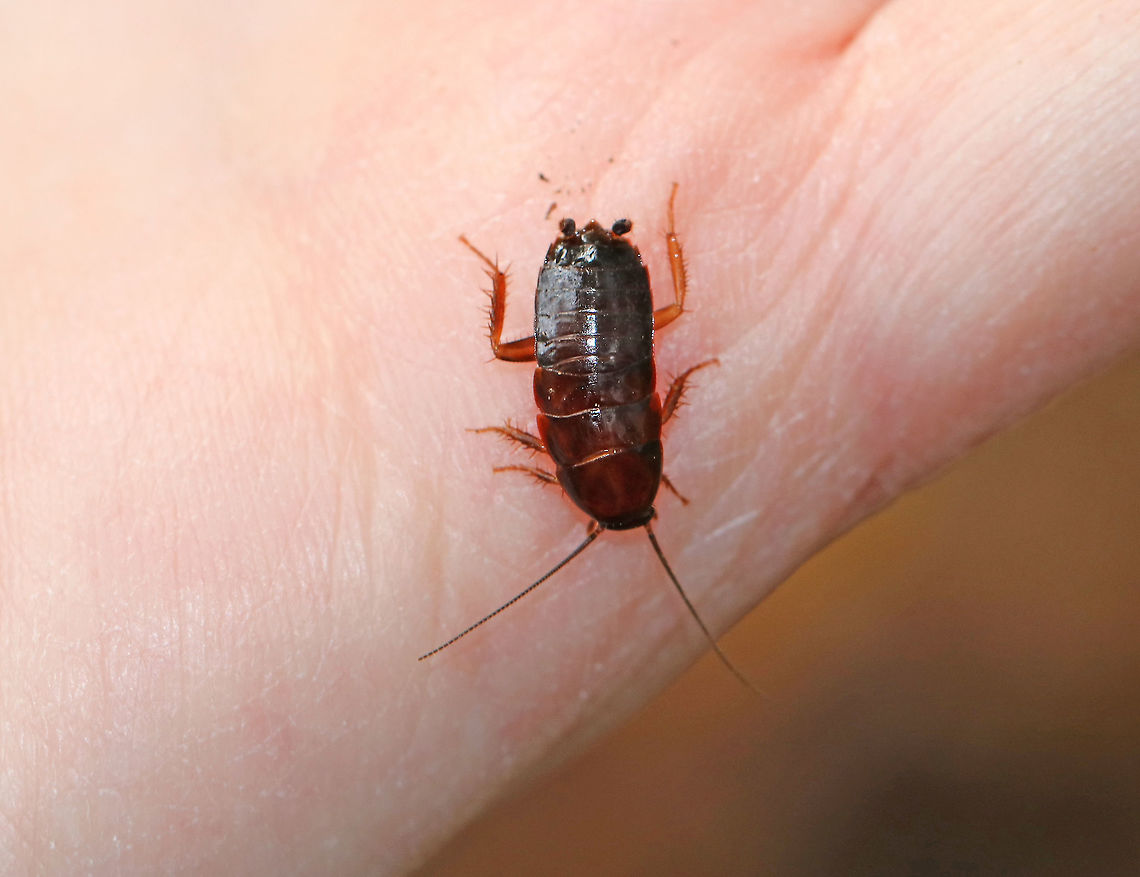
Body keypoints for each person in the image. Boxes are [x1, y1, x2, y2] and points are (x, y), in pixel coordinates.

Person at [2, 2, 1137, 873]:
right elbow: (632, 395)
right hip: (598, 327)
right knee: (633, 338)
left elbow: (638, 397)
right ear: (627, 473)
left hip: (587, 329)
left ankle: (576, 264)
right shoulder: (594, 452)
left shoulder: (610, 447)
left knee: (626, 340)